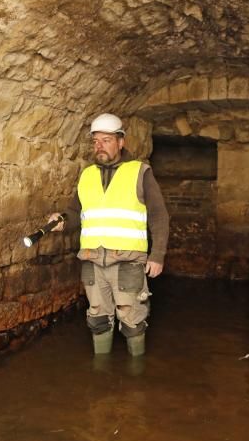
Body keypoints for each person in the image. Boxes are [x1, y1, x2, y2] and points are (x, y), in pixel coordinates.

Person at [48, 113, 169, 357]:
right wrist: (61, 221)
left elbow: (159, 215)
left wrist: (157, 255)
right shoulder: (87, 175)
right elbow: (75, 212)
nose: (99, 146)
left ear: (121, 142)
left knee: (132, 320)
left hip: (128, 260)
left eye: (106, 140)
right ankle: (101, 372)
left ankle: (137, 377)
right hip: (92, 260)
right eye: (95, 141)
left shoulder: (140, 172)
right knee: (97, 318)